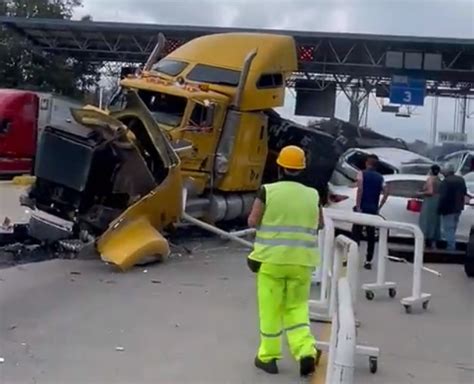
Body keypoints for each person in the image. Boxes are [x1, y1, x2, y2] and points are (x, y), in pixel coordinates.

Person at [247, 145, 322, 377]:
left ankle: (268, 357)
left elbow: (252, 220)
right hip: (302, 263)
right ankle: (305, 351)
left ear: (279, 167)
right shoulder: (313, 194)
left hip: (271, 263)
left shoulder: (267, 191)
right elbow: (319, 223)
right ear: (301, 169)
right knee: (297, 308)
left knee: (271, 310)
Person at [352, 154, 389, 270]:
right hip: (373, 209)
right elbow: (387, 191)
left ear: (367, 163)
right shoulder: (380, 177)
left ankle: (352, 257)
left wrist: (358, 205)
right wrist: (379, 206)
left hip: (362, 207)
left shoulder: (361, 174)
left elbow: (360, 189)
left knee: (356, 233)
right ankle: (368, 260)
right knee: (371, 236)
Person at [438, 164, 469, 251]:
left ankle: (451, 247)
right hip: (458, 207)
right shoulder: (461, 179)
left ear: (447, 172)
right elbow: (464, 192)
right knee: (453, 227)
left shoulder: (446, 182)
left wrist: (440, 208)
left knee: (448, 228)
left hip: (448, 208)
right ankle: (451, 245)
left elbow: (443, 196)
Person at [418, 165, 442, 248]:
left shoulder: (430, 179)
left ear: (431, 170)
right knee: (435, 221)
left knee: (426, 220)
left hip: (430, 201)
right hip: (437, 201)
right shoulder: (439, 180)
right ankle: (433, 242)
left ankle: (425, 240)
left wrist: (420, 193)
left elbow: (430, 191)